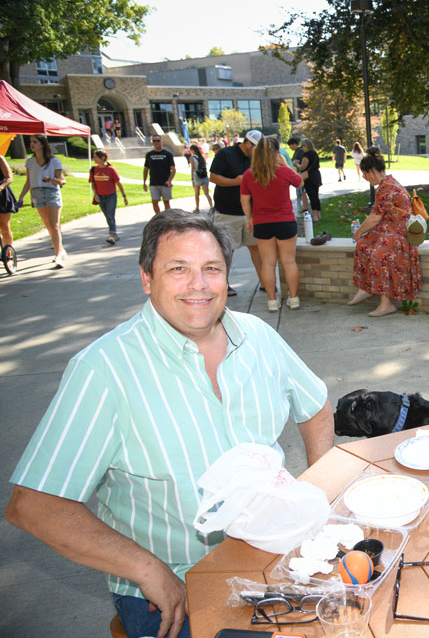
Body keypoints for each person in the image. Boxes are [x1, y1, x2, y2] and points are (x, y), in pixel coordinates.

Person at [5, 210, 335, 638]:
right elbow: (34, 505)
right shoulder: (104, 369)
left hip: (272, 555)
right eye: (178, 269)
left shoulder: (257, 336)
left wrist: (317, 497)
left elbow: (316, 405)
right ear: (147, 279)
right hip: (173, 586)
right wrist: (147, 569)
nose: (198, 284)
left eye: (211, 269)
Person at [347, 147, 422, 317]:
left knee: (378, 254)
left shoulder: (386, 187)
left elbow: (375, 217)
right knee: (363, 245)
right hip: (388, 229)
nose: (366, 178)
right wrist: (361, 236)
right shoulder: (386, 183)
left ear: (372, 171)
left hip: (399, 234)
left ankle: (386, 304)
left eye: (366, 175)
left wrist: (358, 232)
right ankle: (365, 289)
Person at [240, 135, 304, 313]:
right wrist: (285, 164)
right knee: (289, 262)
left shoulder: (249, 174)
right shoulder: (283, 172)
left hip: (262, 224)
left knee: (267, 264)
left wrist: (250, 218)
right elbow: (300, 182)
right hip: (285, 222)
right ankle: (293, 298)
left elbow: (245, 201)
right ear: (276, 153)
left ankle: (272, 301)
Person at [209, 129, 263, 297]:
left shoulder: (256, 158)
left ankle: (265, 282)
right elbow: (213, 177)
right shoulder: (226, 154)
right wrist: (235, 181)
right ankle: (223, 285)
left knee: (256, 248)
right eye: (256, 147)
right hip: (228, 212)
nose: (257, 152)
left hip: (250, 213)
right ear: (247, 143)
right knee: (227, 250)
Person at [17, 134, 67, 267]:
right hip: (37, 193)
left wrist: (49, 179)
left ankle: (58, 255)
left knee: (55, 225)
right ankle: (60, 249)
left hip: (52, 192)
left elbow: (62, 181)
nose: (32, 144)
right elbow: (28, 181)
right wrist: (21, 196)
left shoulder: (54, 161)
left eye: (35, 142)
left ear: (42, 144)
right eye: (31, 142)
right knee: (49, 226)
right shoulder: (30, 161)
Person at [89, 149, 128, 245]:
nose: (94, 159)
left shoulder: (111, 169)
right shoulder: (93, 170)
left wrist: (124, 196)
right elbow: (93, 184)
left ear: (103, 158)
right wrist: (95, 194)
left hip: (111, 196)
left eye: (96, 157)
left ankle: (112, 234)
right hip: (100, 197)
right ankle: (114, 234)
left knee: (110, 215)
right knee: (107, 216)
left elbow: (118, 183)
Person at [143, 135, 176, 214]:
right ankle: (158, 218)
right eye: (154, 141)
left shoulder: (168, 154)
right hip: (154, 183)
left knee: (166, 202)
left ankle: (167, 219)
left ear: (161, 142)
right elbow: (146, 169)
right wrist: (144, 182)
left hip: (165, 182)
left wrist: (169, 180)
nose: (156, 142)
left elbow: (173, 169)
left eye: (158, 140)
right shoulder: (149, 155)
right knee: (154, 202)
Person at [298, 138, 323, 221]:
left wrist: (297, 164)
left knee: (312, 196)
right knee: (315, 196)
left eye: (303, 146)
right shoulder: (315, 153)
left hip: (309, 177)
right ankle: (318, 214)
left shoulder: (307, 155)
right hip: (316, 175)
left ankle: (315, 215)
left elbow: (303, 167)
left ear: (306, 146)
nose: (302, 148)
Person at [0, 154, 18, 263]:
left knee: (4, 227)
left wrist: (1, 187)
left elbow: (9, 177)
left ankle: (7, 255)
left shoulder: (0, 158)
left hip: (2, 196)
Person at [189, 144, 213, 213]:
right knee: (206, 193)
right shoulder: (202, 157)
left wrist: (192, 179)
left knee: (197, 193)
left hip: (197, 176)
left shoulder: (192, 158)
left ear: (192, 150)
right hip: (204, 176)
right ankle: (211, 206)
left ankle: (197, 208)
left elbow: (193, 168)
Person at [287, 138, 308, 212]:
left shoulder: (300, 151)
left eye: (290, 146)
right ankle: (300, 207)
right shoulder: (296, 151)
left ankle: (302, 207)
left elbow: (302, 161)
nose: (290, 147)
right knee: (298, 191)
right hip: (297, 171)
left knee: (300, 191)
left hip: (300, 172)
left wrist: (296, 162)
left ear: (294, 144)